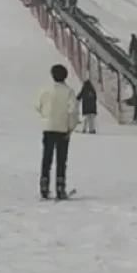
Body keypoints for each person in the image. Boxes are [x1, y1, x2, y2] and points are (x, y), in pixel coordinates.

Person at [36, 63, 78, 198]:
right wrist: (70, 128)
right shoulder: (69, 92)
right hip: (62, 128)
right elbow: (73, 111)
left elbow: (37, 105)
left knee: (46, 158)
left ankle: (44, 184)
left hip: (48, 127)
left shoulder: (45, 90)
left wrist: (45, 116)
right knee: (61, 159)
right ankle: (60, 186)